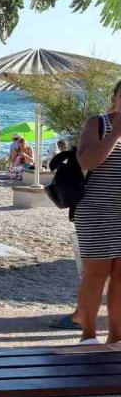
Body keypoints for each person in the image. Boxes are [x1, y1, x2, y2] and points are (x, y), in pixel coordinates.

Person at [72, 81, 121, 344]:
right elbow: (87, 161)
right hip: (96, 211)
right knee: (97, 272)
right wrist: (116, 132)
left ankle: (116, 335)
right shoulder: (98, 123)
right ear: (114, 98)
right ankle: (88, 333)